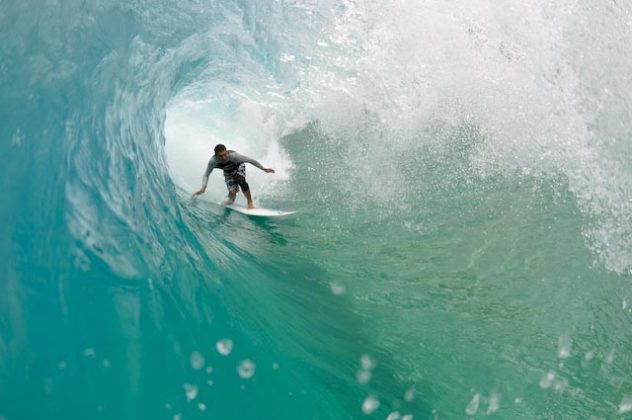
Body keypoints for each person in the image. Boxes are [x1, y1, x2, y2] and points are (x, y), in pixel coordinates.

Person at [192, 144, 275, 209]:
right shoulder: (213, 162)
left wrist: (263, 169)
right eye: (221, 156)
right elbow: (206, 174)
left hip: (238, 167)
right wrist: (203, 187)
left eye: (225, 154)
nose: (224, 157)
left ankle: (250, 202)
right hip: (228, 173)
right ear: (216, 155)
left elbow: (250, 160)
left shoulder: (234, 156)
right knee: (233, 194)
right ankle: (228, 200)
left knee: (241, 180)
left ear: (227, 152)